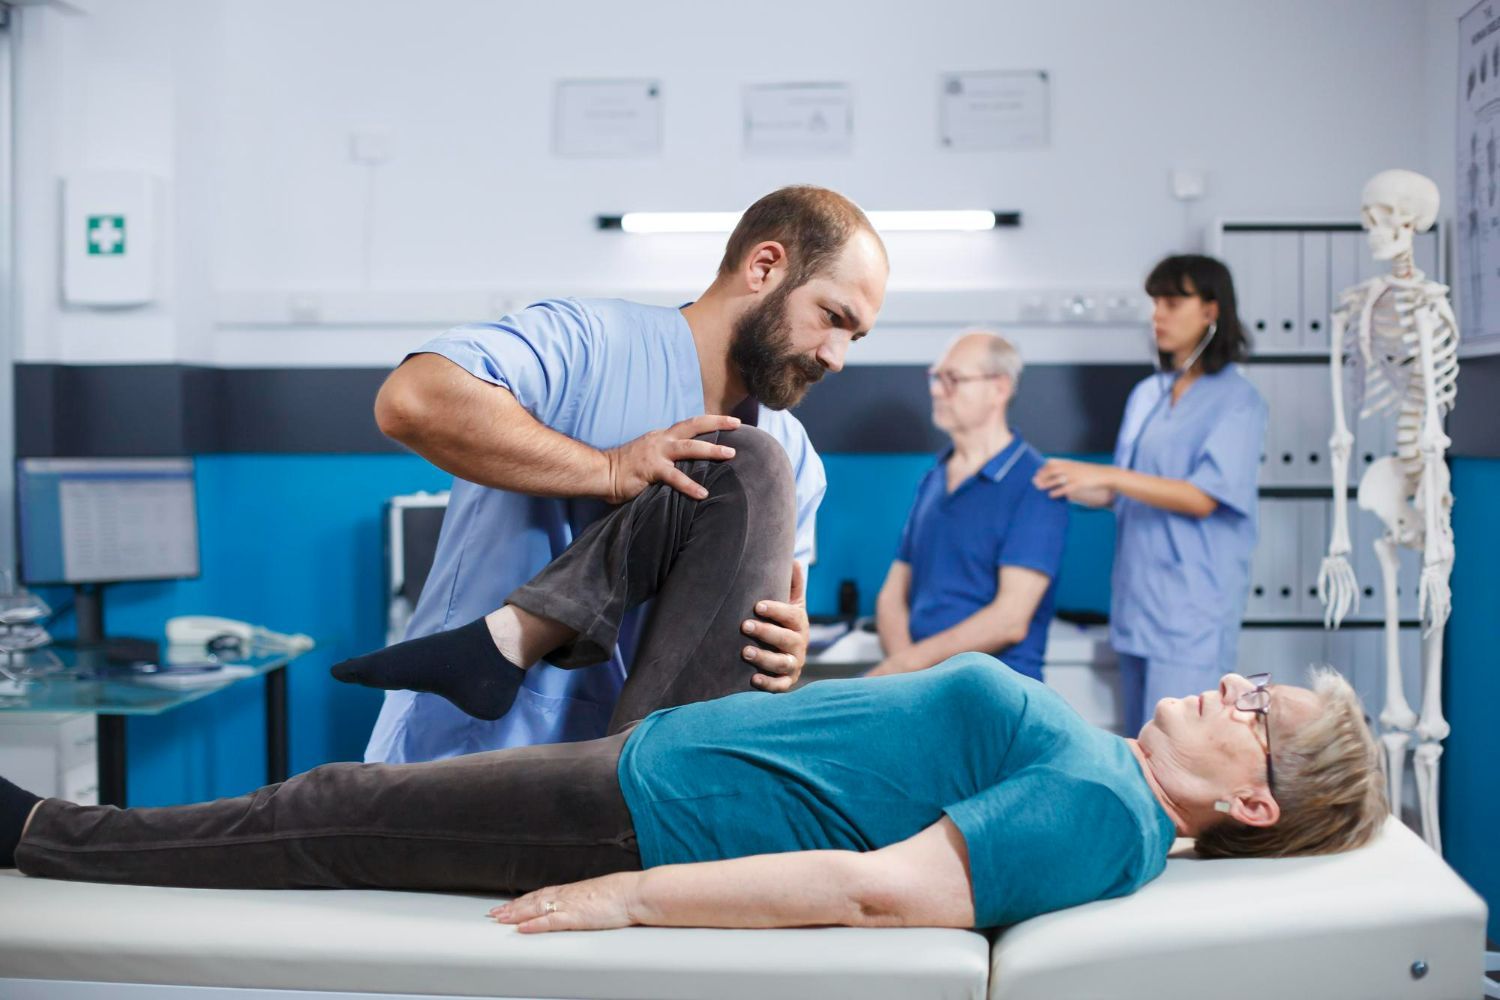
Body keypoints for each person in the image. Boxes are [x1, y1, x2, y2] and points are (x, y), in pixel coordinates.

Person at [4, 427, 1386, 934]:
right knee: (748, 465)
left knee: (338, 801)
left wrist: (635, 899)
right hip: (704, 738)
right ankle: (507, 644)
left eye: (1259, 715)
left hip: (651, 805)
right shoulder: (1112, 777)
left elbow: (877, 889)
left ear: (1254, 806)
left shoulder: (1107, 816)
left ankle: (48, 838)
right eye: (1252, 684)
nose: (1231, 691)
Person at [363, 185, 889, 762]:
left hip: (622, 781)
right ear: (764, 266)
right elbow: (410, 401)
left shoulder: (793, 461)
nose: (836, 357)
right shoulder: (588, 343)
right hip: (464, 750)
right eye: (832, 318)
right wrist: (607, 469)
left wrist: (785, 650)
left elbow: (780, 613)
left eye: (854, 338)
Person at [1032, 255, 1268, 736]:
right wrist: (1072, 487)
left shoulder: (1239, 401)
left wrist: (1111, 477)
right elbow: (1129, 493)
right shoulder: (1148, 394)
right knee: (1139, 748)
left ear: (1210, 310)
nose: (1157, 314)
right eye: (1155, 302)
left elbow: (1204, 497)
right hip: (1137, 606)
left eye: (1173, 302)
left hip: (1191, 613)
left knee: (1183, 752)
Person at [871, 332, 1067, 680]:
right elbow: (892, 595)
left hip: (991, 692)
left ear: (999, 388)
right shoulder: (934, 478)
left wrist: (905, 667)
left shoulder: (1036, 483)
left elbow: (1009, 620)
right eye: (936, 377)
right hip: (924, 684)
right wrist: (905, 678)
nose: (936, 390)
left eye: (953, 379)